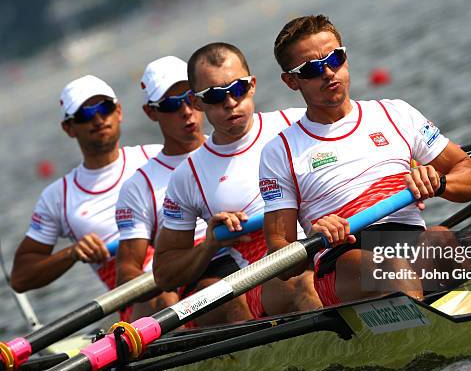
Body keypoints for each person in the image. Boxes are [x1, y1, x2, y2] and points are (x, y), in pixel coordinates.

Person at [259, 15, 471, 306]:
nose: (329, 72)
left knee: (442, 240)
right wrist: (315, 235)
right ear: (291, 80)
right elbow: (280, 253)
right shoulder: (280, 152)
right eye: (312, 69)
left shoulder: (395, 114)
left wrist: (439, 183)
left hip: (408, 243)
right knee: (394, 269)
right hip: (342, 261)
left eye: (335, 58)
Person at [154, 42, 322, 324]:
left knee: (420, 245)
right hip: (269, 278)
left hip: (332, 246)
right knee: (305, 284)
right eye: (216, 96)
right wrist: (210, 243)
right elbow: (165, 274)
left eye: (238, 89)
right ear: (197, 103)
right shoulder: (188, 176)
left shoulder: (298, 123)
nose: (230, 102)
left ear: (252, 85)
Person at [11, 75, 162, 296]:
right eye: (85, 114)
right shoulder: (58, 197)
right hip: (136, 298)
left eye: (105, 107)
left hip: (179, 271)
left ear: (118, 111)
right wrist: (72, 253)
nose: (98, 119)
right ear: (69, 128)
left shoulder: (156, 156)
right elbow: (20, 277)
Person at [114, 56, 207, 320]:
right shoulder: (139, 187)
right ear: (151, 112)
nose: (186, 110)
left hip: (251, 264)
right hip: (190, 285)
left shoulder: (233, 149)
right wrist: (178, 269)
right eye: (171, 104)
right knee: (161, 299)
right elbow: (127, 276)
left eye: (190, 97)